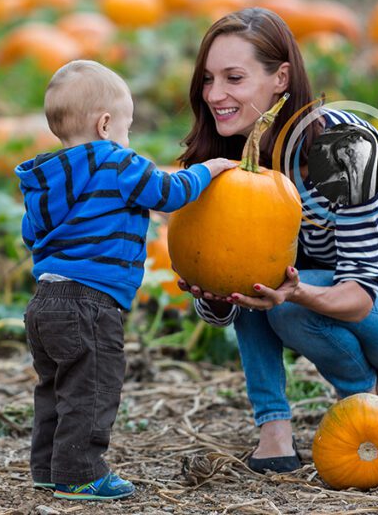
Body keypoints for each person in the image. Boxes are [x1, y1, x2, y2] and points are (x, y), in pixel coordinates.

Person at [175, 8, 378, 474]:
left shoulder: (343, 147)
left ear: (281, 78)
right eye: (208, 79)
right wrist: (214, 295)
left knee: (280, 297)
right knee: (257, 283)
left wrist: (293, 292)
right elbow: (223, 299)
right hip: (307, 291)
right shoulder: (225, 156)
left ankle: (363, 397)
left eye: (234, 78)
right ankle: (273, 430)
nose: (215, 95)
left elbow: (358, 296)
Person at [15, 59, 235, 500]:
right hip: (90, 302)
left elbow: (29, 234)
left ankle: (47, 467)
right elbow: (168, 194)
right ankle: (80, 474)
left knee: (55, 388)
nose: (128, 139)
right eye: (127, 129)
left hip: (45, 301)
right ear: (105, 124)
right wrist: (208, 170)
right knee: (93, 388)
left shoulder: (47, 178)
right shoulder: (115, 162)